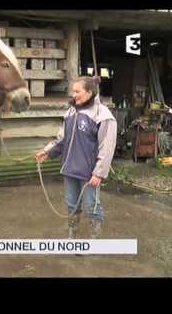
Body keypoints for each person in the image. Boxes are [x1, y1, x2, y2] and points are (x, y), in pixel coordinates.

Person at [36, 76, 117, 239]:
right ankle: (72, 238)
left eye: (77, 91)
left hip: (89, 173)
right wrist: (48, 151)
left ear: (89, 92)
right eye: (73, 91)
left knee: (92, 206)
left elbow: (107, 147)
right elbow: (63, 139)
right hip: (70, 168)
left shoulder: (103, 115)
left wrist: (99, 173)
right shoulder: (71, 112)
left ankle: (94, 241)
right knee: (71, 205)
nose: (74, 95)